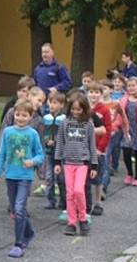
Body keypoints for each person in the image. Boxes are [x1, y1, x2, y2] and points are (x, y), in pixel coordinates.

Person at [0, 99, 45, 257]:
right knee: (16, 209)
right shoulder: (8, 132)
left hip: (25, 177)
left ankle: (19, 244)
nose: (21, 118)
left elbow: (40, 155)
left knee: (20, 209)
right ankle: (28, 232)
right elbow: (1, 154)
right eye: (18, 114)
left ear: (31, 117)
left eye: (24, 115)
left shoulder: (33, 134)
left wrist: (33, 161)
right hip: (10, 176)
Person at [54, 93, 98, 236]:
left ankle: (83, 218)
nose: (76, 112)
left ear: (84, 109)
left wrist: (94, 164)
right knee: (70, 193)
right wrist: (57, 161)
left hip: (82, 163)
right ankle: (72, 222)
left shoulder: (89, 125)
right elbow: (60, 142)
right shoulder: (65, 123)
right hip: (68, 162)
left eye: (79, 110)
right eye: (73, 109)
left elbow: (92, 145)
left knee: (79, 190)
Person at [87, 83, 112, 214]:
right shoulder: (83, 108)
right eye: (91, 92)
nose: (94, 95)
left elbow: (107, 129)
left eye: (97, 92)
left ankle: (98, 202)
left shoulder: (104, 110)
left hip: (98, 149)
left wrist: (100, 147)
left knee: (97, 176)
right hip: (84, 148)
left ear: (101, 95)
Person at [42, 92, 67, 211]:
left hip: (60, 153)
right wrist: (47, 141)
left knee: (61, 178)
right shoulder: (46, 118)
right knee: (49, 177)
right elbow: (43, 132)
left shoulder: (64, 119)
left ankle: (63, 200)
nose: (52, 105)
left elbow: (64, 135)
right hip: (49, 151)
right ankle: (51, 200)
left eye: (55, 103)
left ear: (61, 105)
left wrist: (56, 141)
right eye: (50, 102)